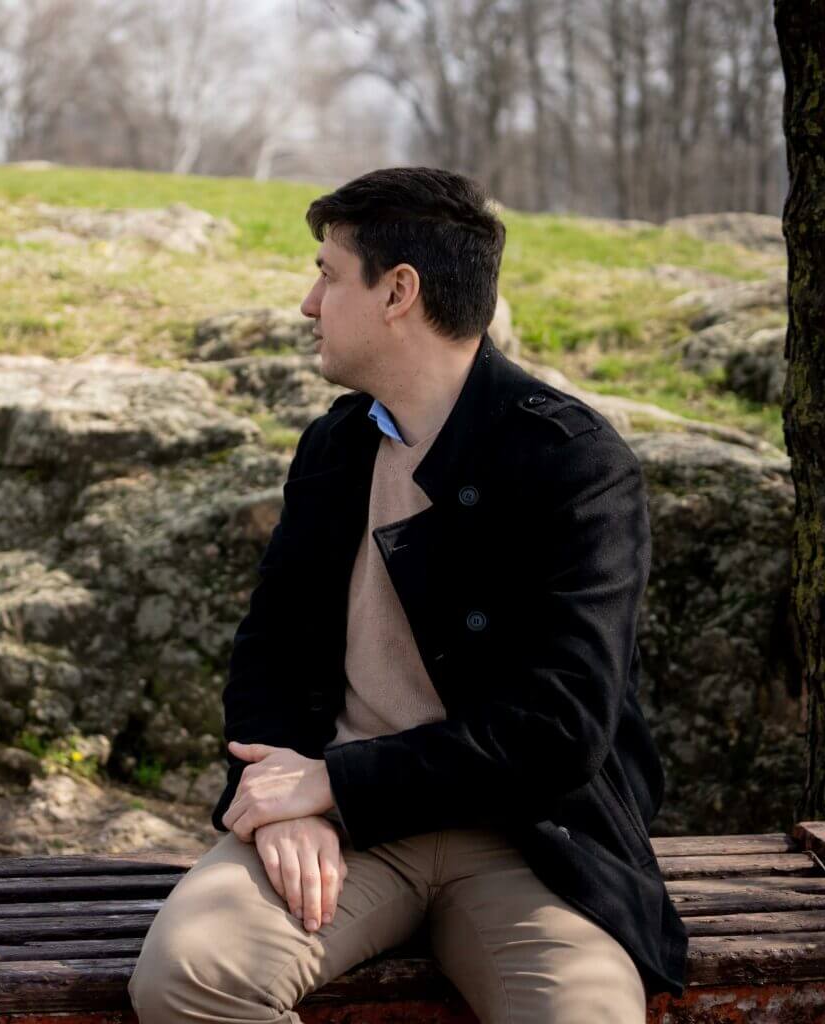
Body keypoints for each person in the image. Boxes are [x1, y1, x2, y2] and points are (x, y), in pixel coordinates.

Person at [129, 167, 687, 1023]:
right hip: (343, 836)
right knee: (189, 976)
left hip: (528, 840)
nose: (308, 304)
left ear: (398, 292)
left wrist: (335, 783)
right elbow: (268, 654)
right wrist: (283, 808)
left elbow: (560, 729)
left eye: (327, 274)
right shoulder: (335, 447)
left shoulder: (574, 463)